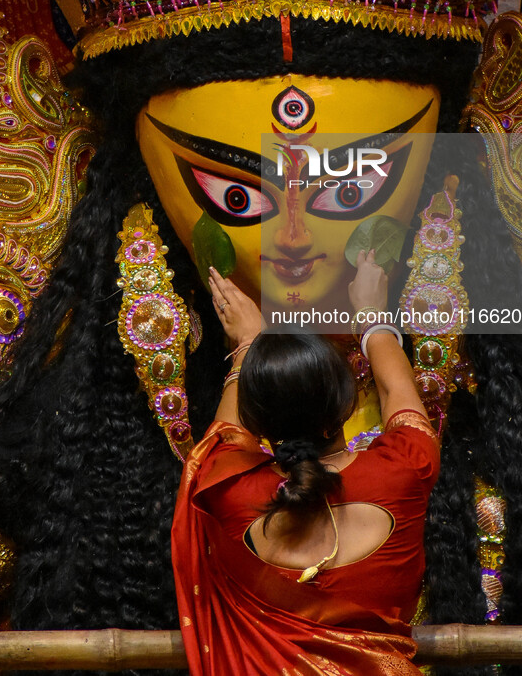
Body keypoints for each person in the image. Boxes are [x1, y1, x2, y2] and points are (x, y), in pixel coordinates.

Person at [172, 252, 440, 676]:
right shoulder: (404, 470)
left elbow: (224, 435)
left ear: (257, 420)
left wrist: (249, 345)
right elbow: (395, 392)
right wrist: (371, 316)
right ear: (349, 403)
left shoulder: (225, 489)